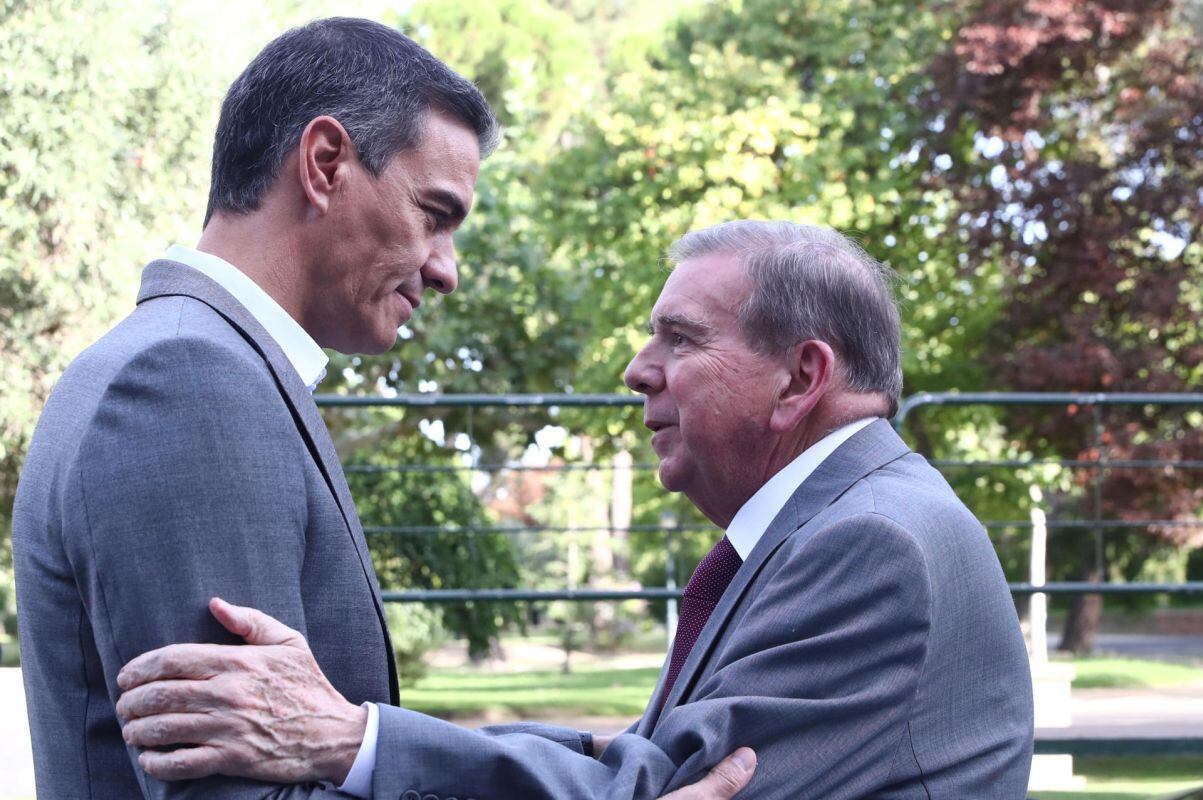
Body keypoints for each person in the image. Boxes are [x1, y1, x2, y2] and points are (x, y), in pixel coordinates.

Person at [11, 17, 751, 800]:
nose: (446, 272)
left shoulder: (181, 361)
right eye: (434, 215)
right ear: (325, 163)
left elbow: (326, 732)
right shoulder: (190, 383)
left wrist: (583, 755)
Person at [117, 221, 1036, 798]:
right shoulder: (846, 522)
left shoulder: (872, 545)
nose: (636, 370)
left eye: (679, 339)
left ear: (801, 377)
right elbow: (643, 756)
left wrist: (346, 740)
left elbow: (662, 786)